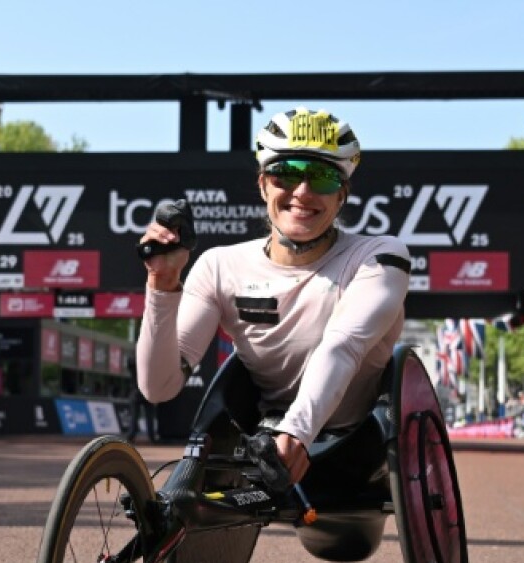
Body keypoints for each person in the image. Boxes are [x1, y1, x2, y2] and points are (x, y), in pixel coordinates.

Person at [135, 107, 411, 483]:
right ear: (263, 184)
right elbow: (158, 386)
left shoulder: (380, 257)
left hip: (356, 445)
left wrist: (297, 431)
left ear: (342, 194)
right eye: (286, 174)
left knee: (343, 547)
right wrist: (162, 285)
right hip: (262, 440)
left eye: (323, 178)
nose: (302, 191)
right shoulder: (219, 266)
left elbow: (342, 346)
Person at [125, 351, 158, 442]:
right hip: (146, 391)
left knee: (134, 415)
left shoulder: (133, 362)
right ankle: (151, 437)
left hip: (137, 392)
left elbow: (130, 362)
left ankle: (131, 436)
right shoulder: (148, 362)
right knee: (149, 416)